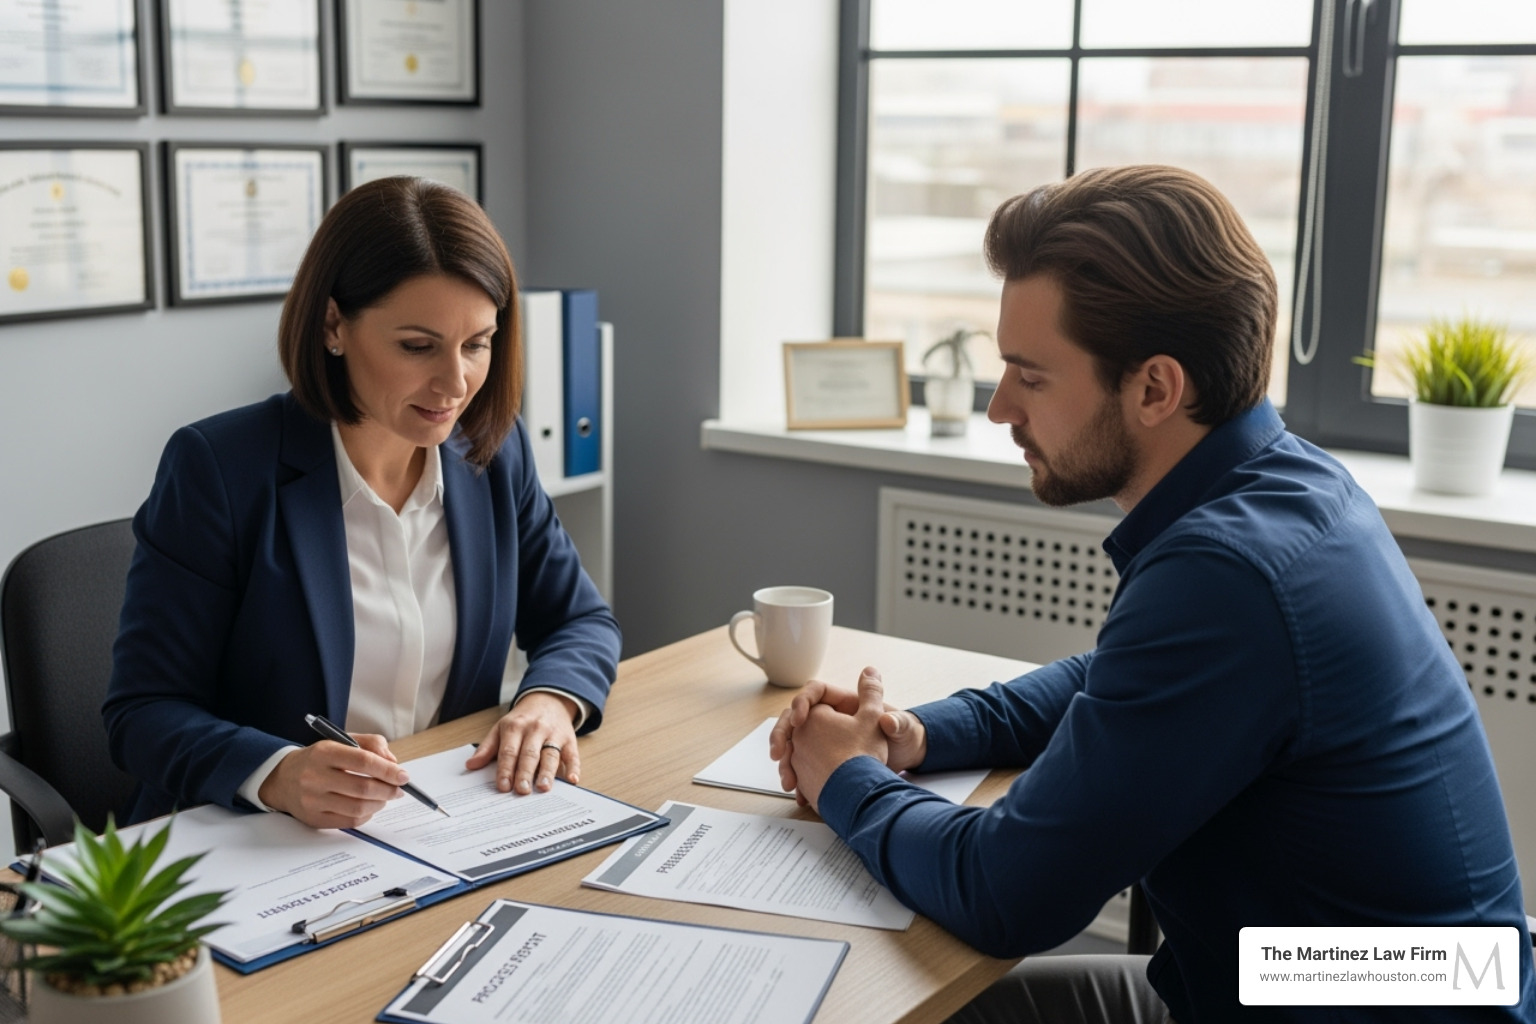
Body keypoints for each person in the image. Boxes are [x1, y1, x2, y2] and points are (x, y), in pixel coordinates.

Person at [770, 165, 1535, 1022]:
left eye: (1031, 375)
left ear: (1156, 388)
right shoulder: (1294, 484)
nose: (998, 409)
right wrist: (915, 736)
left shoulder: (1228, 573)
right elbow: (1116, 676)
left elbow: (1006, 895)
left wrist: (845, 776)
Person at [104, 177, 620, 830]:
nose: (455, 382)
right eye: (417, 346)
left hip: (440, 825)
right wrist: (276, 772)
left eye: (477, 343)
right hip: (257, 840)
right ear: (333, 325)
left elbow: (580, 621)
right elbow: (143, 712)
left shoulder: (494, 452)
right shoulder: (218, 468)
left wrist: (549, 701)